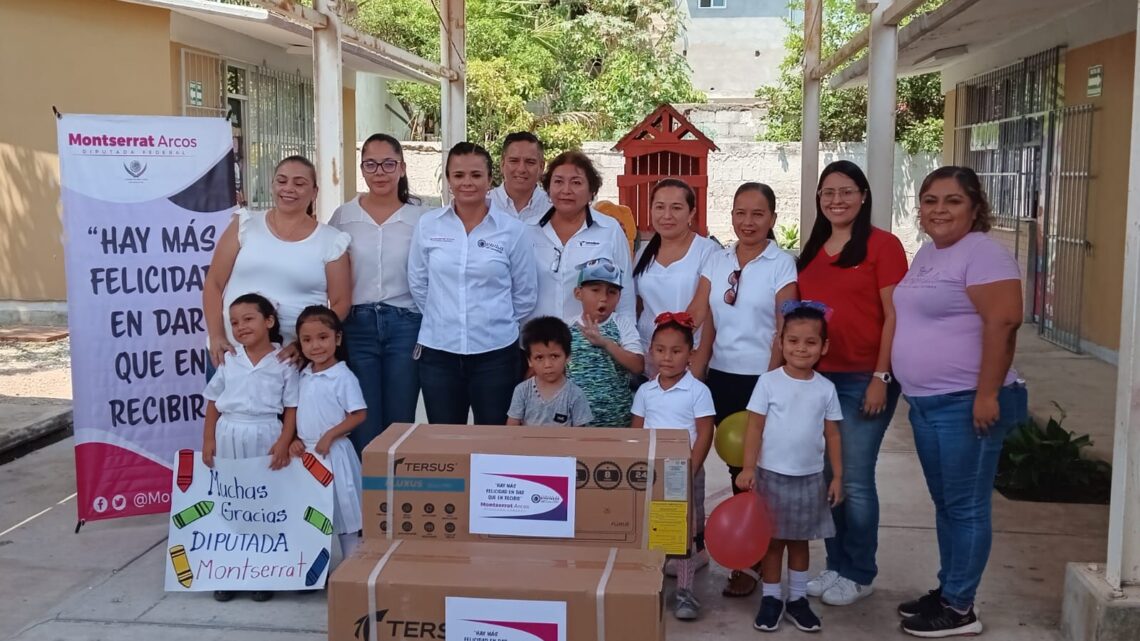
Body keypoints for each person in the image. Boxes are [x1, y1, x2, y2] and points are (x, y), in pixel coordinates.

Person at [892, 166, 1026, 638]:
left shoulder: (985, 254)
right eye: (930, 200)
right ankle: (949, 590)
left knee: (966, 506)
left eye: (951, 200)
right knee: (947, 503)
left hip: (967, 401)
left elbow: (1004, 322)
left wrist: (987, 393)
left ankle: (961, 608)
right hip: (928, 403)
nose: (939, 209)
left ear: (974, 206)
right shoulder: (929, 252)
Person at [796, 161, 908, 606]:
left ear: (863, 195)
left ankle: (860, 571)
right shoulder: (815, 247)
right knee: (828, 476)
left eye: (846, 191)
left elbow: (894, 315)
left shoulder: (884, 246)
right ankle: (836, 563)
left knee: (856, 478)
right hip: (818, 380)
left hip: (864, 377)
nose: (836, 200)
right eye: (828, 193)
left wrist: (881, 377)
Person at [688, 182, 798, 598]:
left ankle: (752, 564)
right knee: (725, 465)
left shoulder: (781, 263)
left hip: (761, 378)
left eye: (757, 214)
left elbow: (783, 325)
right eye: (740, 213)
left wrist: (771, 381)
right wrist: (685, 364)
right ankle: (699, 547)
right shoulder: (716, 261)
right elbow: (701, 316)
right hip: (719, 374)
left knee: (752, 471)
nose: (747, 222)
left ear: (772, 218)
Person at [408, 142, 538, 425]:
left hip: (496, 355)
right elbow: (419, 283)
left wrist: (492, 321)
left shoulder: (512, 231)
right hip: (439, 352)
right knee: (446, 443)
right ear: (448, 179)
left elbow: (525, 293)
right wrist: (444, 315)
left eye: (476, 175)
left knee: (494, 443)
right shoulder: (428, 225)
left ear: (490, 179)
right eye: (459, 175)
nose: (467, 183)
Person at [737, 302, 843, 634]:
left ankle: (797, 599)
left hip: (810, 477)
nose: (801, 348)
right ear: (780, 342)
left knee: (800, 541)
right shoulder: (768, 382)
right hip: (770, 475)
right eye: (793, 340)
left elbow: (833, 433)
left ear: (824, 347)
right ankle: (771, 598)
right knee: (772, 541)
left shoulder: (826, 388)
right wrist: (748, 468)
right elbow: (754, 427)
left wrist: (838, 475)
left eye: (810, 342)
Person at [203, 155, 351, 367]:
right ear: (272, 186)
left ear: (315, 192)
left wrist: (303, 345)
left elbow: (340, 303)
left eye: (299, 183)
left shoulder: (332, 241)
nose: (289, 188)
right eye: (281, 181)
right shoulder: (244, 224)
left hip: (290, 363)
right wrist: (216, 336)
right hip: (231, 356)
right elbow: (213, 284)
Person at [331, 134, 427, 455]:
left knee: (400, 418)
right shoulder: (343, 217)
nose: (380, 172)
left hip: (406, 324)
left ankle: (397, 499)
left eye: (389, 164)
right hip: (356, 325)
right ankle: (366, 500)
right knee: (363, 418)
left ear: (401, 167)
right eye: (371, 164)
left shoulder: (421, 219)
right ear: (362, 169)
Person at [201, 293, 299, 603]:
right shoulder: (229, 360)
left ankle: (263, 571)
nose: (240, 326)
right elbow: (214, 402)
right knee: (233, 500)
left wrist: (284, 440)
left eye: (248, 319)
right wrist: (208, 440)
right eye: (233, 322)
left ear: (268, 321)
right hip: (229, 432)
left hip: (266, 433)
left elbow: (292, 406)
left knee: (264, 502)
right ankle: (230, 571)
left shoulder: (284, 361)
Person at [631, 312, 715, 621]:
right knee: (651, 532)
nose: (667, 358)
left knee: (684, 534)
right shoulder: (645, 392)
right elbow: (637, 431)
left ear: (690, 355)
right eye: (660, 350)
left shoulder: (698, 392)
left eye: (676, 351)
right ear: (651, 351)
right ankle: (648, 589)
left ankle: (685, 592)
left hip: (685, 472)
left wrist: (692, 468)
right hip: (651, 473)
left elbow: (706, 431)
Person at [289, 305, 366, 565]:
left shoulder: (343, 377)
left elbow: (358, 414)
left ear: (338, 338)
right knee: (313, 511)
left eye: (323, 337)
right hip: (307, 457)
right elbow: (296, 412)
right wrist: (295, 440)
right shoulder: (302, 376)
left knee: (344, 510)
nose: (315, 346)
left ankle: (352, 565)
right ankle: (313, 570)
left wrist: (330, 435)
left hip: (334, 454)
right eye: (307, 340)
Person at [526, 150, 634, 324]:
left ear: (592, 190)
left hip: (590, 345)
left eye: (576, 183)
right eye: (558, 182)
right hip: (535, 345)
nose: (566, 190)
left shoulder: (610, 230)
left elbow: (626, 294)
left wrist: (628, 342)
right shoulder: (526, 230)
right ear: (548, 188)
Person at [633, 179, 719, 375]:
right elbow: (637, 305)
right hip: (650, 355)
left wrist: (678, 350)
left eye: (676, 208)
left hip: (688, 355)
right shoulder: (642, 253)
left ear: (691, 212)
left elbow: (702, 308)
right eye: (660, 207)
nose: (667, 216)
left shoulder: (708, 251)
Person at [566, 258, 644, 426]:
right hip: (575, 422)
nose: (603, 298)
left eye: (612, 292)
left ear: (619, 296)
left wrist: (605, 343)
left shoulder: (622, 324)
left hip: (617, 419)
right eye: (595, 290)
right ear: (578, 293)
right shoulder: (566, 328)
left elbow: (638, 365)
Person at [506, 316, 593, 427]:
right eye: (539, 358)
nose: (548, 365)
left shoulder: (575, 395)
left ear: (567, 357)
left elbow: (581, 436)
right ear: (529, 361)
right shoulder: (522, 391)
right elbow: (512, 428)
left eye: (554, 356)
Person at [489, 131, 551, 221]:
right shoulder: (483, 204)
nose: (521, 169)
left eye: (530, 162)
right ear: (502, 164)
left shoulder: (554, 208)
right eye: (514, 161)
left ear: (541, 167)